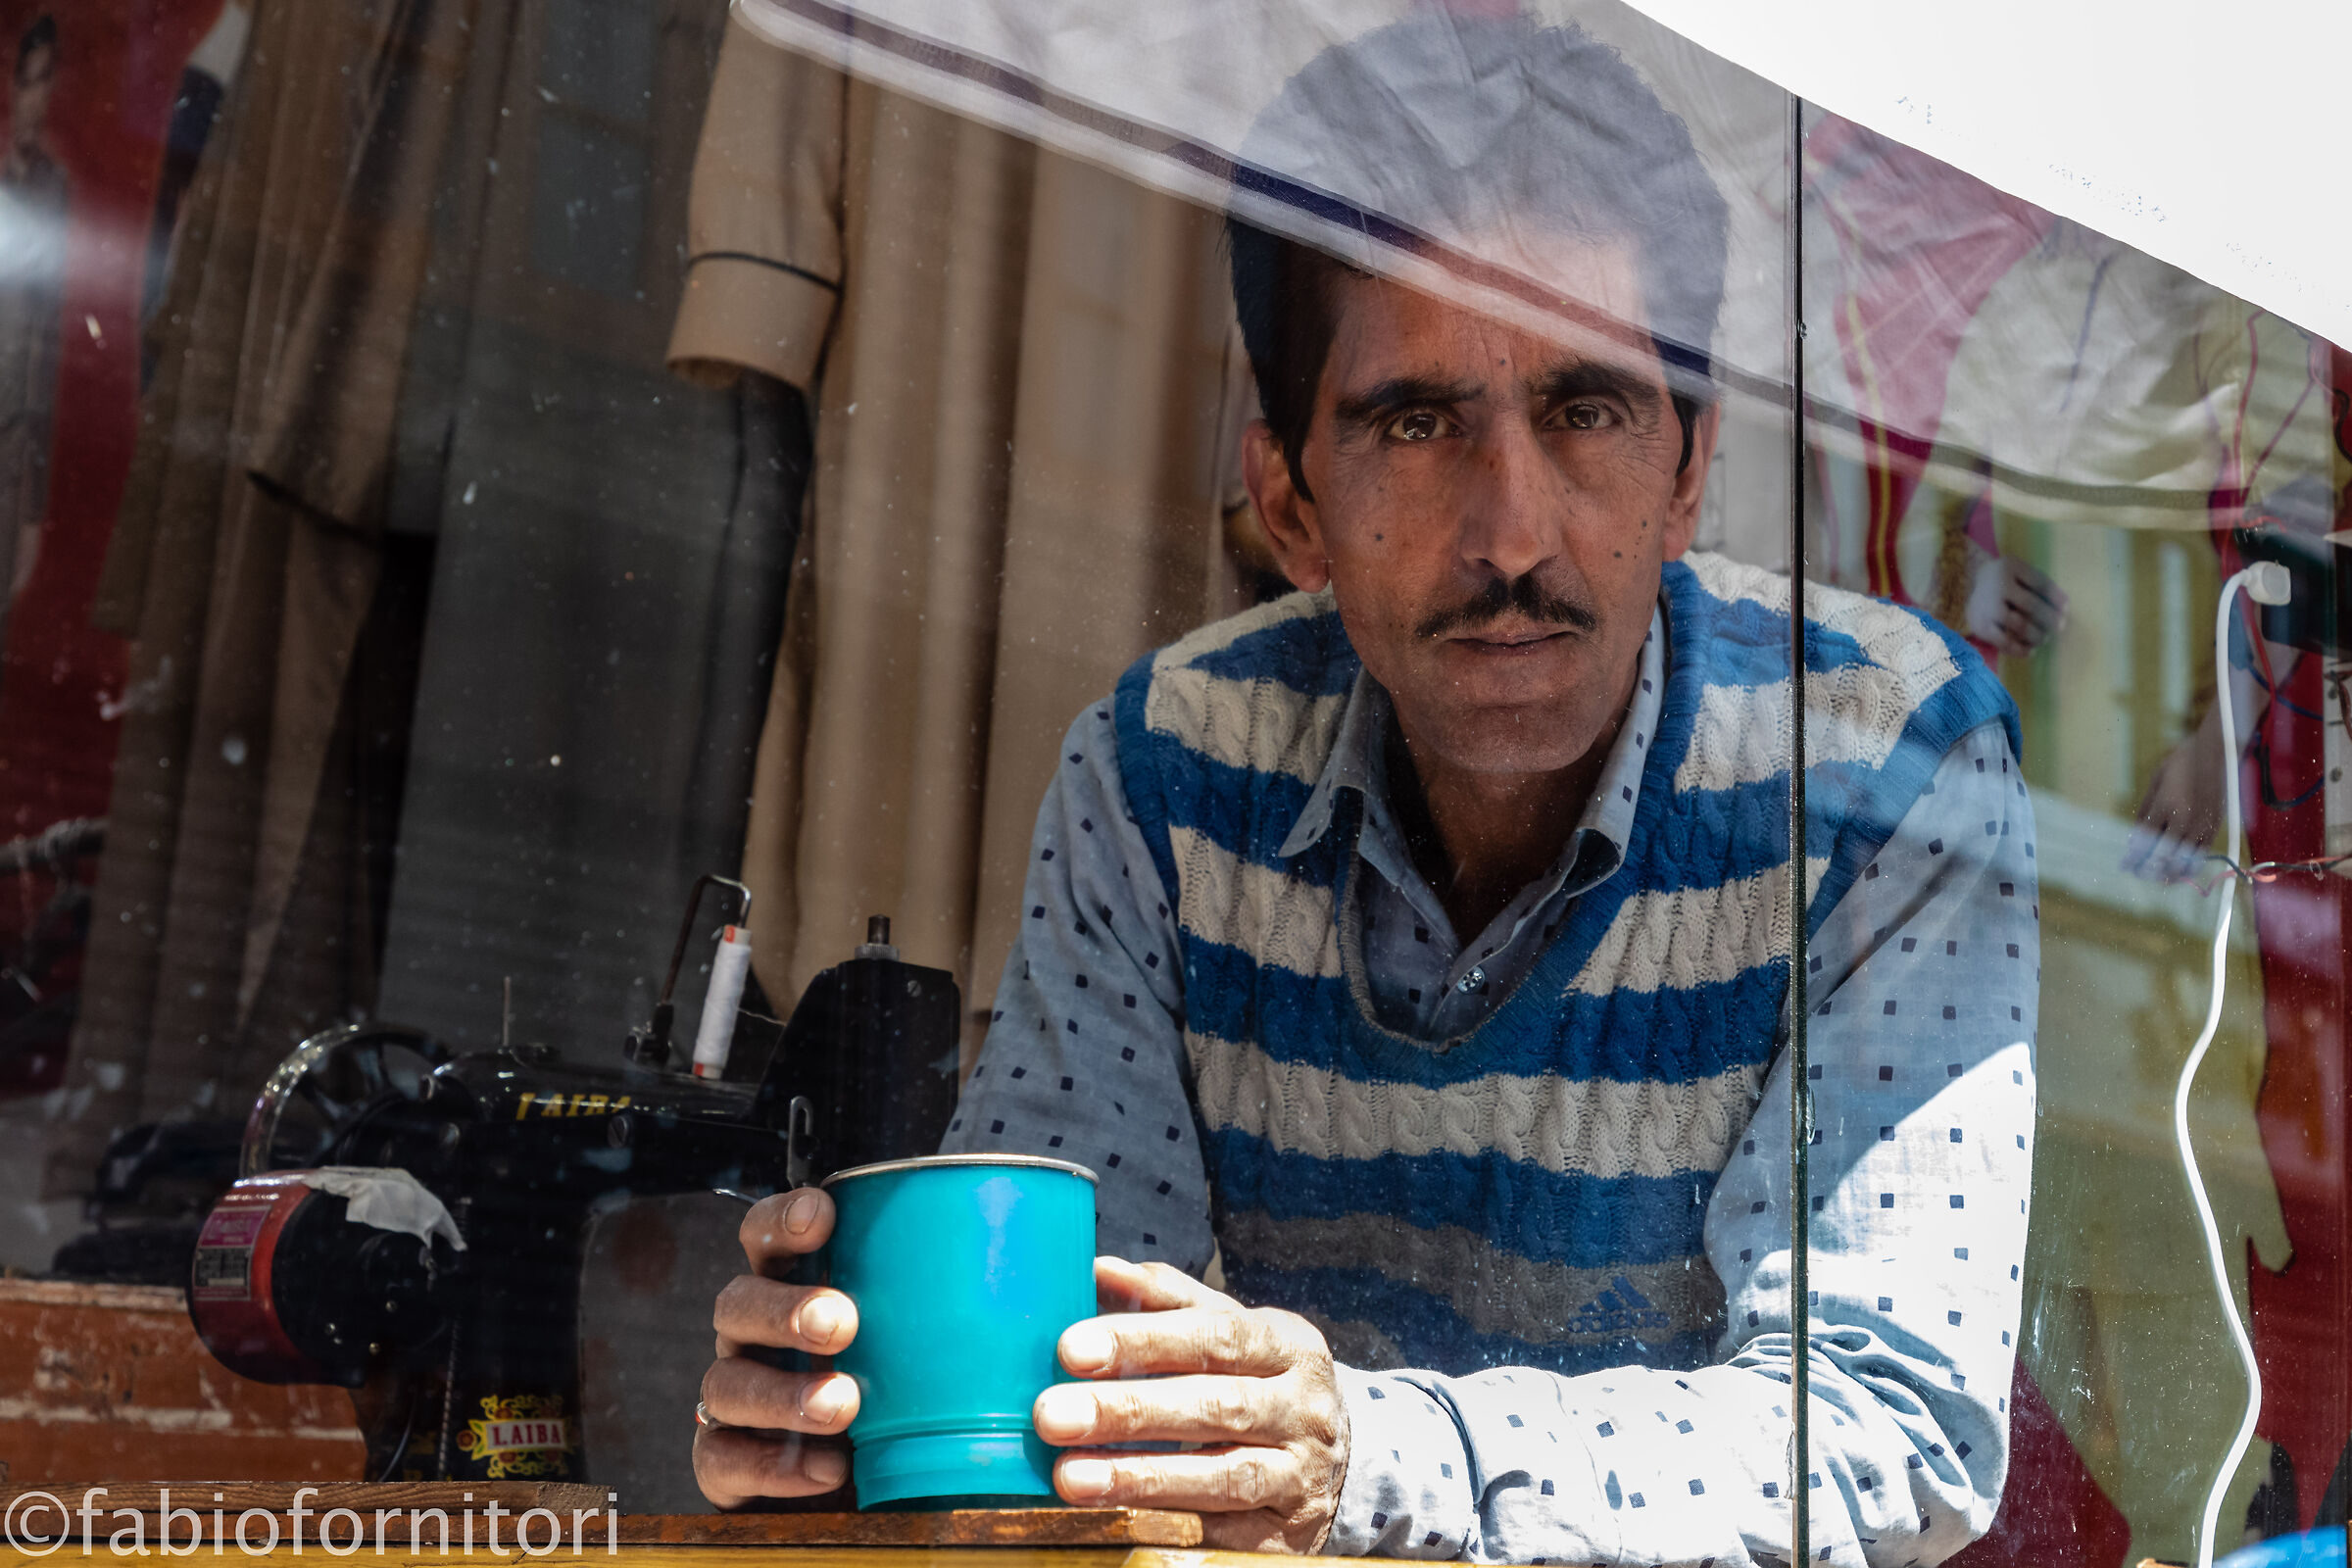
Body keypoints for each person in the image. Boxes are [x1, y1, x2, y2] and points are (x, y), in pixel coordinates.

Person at [694, 17, 2038, 1565]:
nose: (1514, 531)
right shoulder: (1162, 778)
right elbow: (1072, 1379)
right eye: (1416, 423)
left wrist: (1367, 1454)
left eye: (1587, 410)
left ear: (1689, 475)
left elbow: (1886, 1433)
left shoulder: (1884, 764)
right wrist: (858, 1421)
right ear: (1288, 504)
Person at [0, 12, 64, 618]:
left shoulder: (54, 192)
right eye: (29, 80)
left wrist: (31, 514)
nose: (36, 99)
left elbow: (46, 356)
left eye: (48, 82)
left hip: (12, 454)